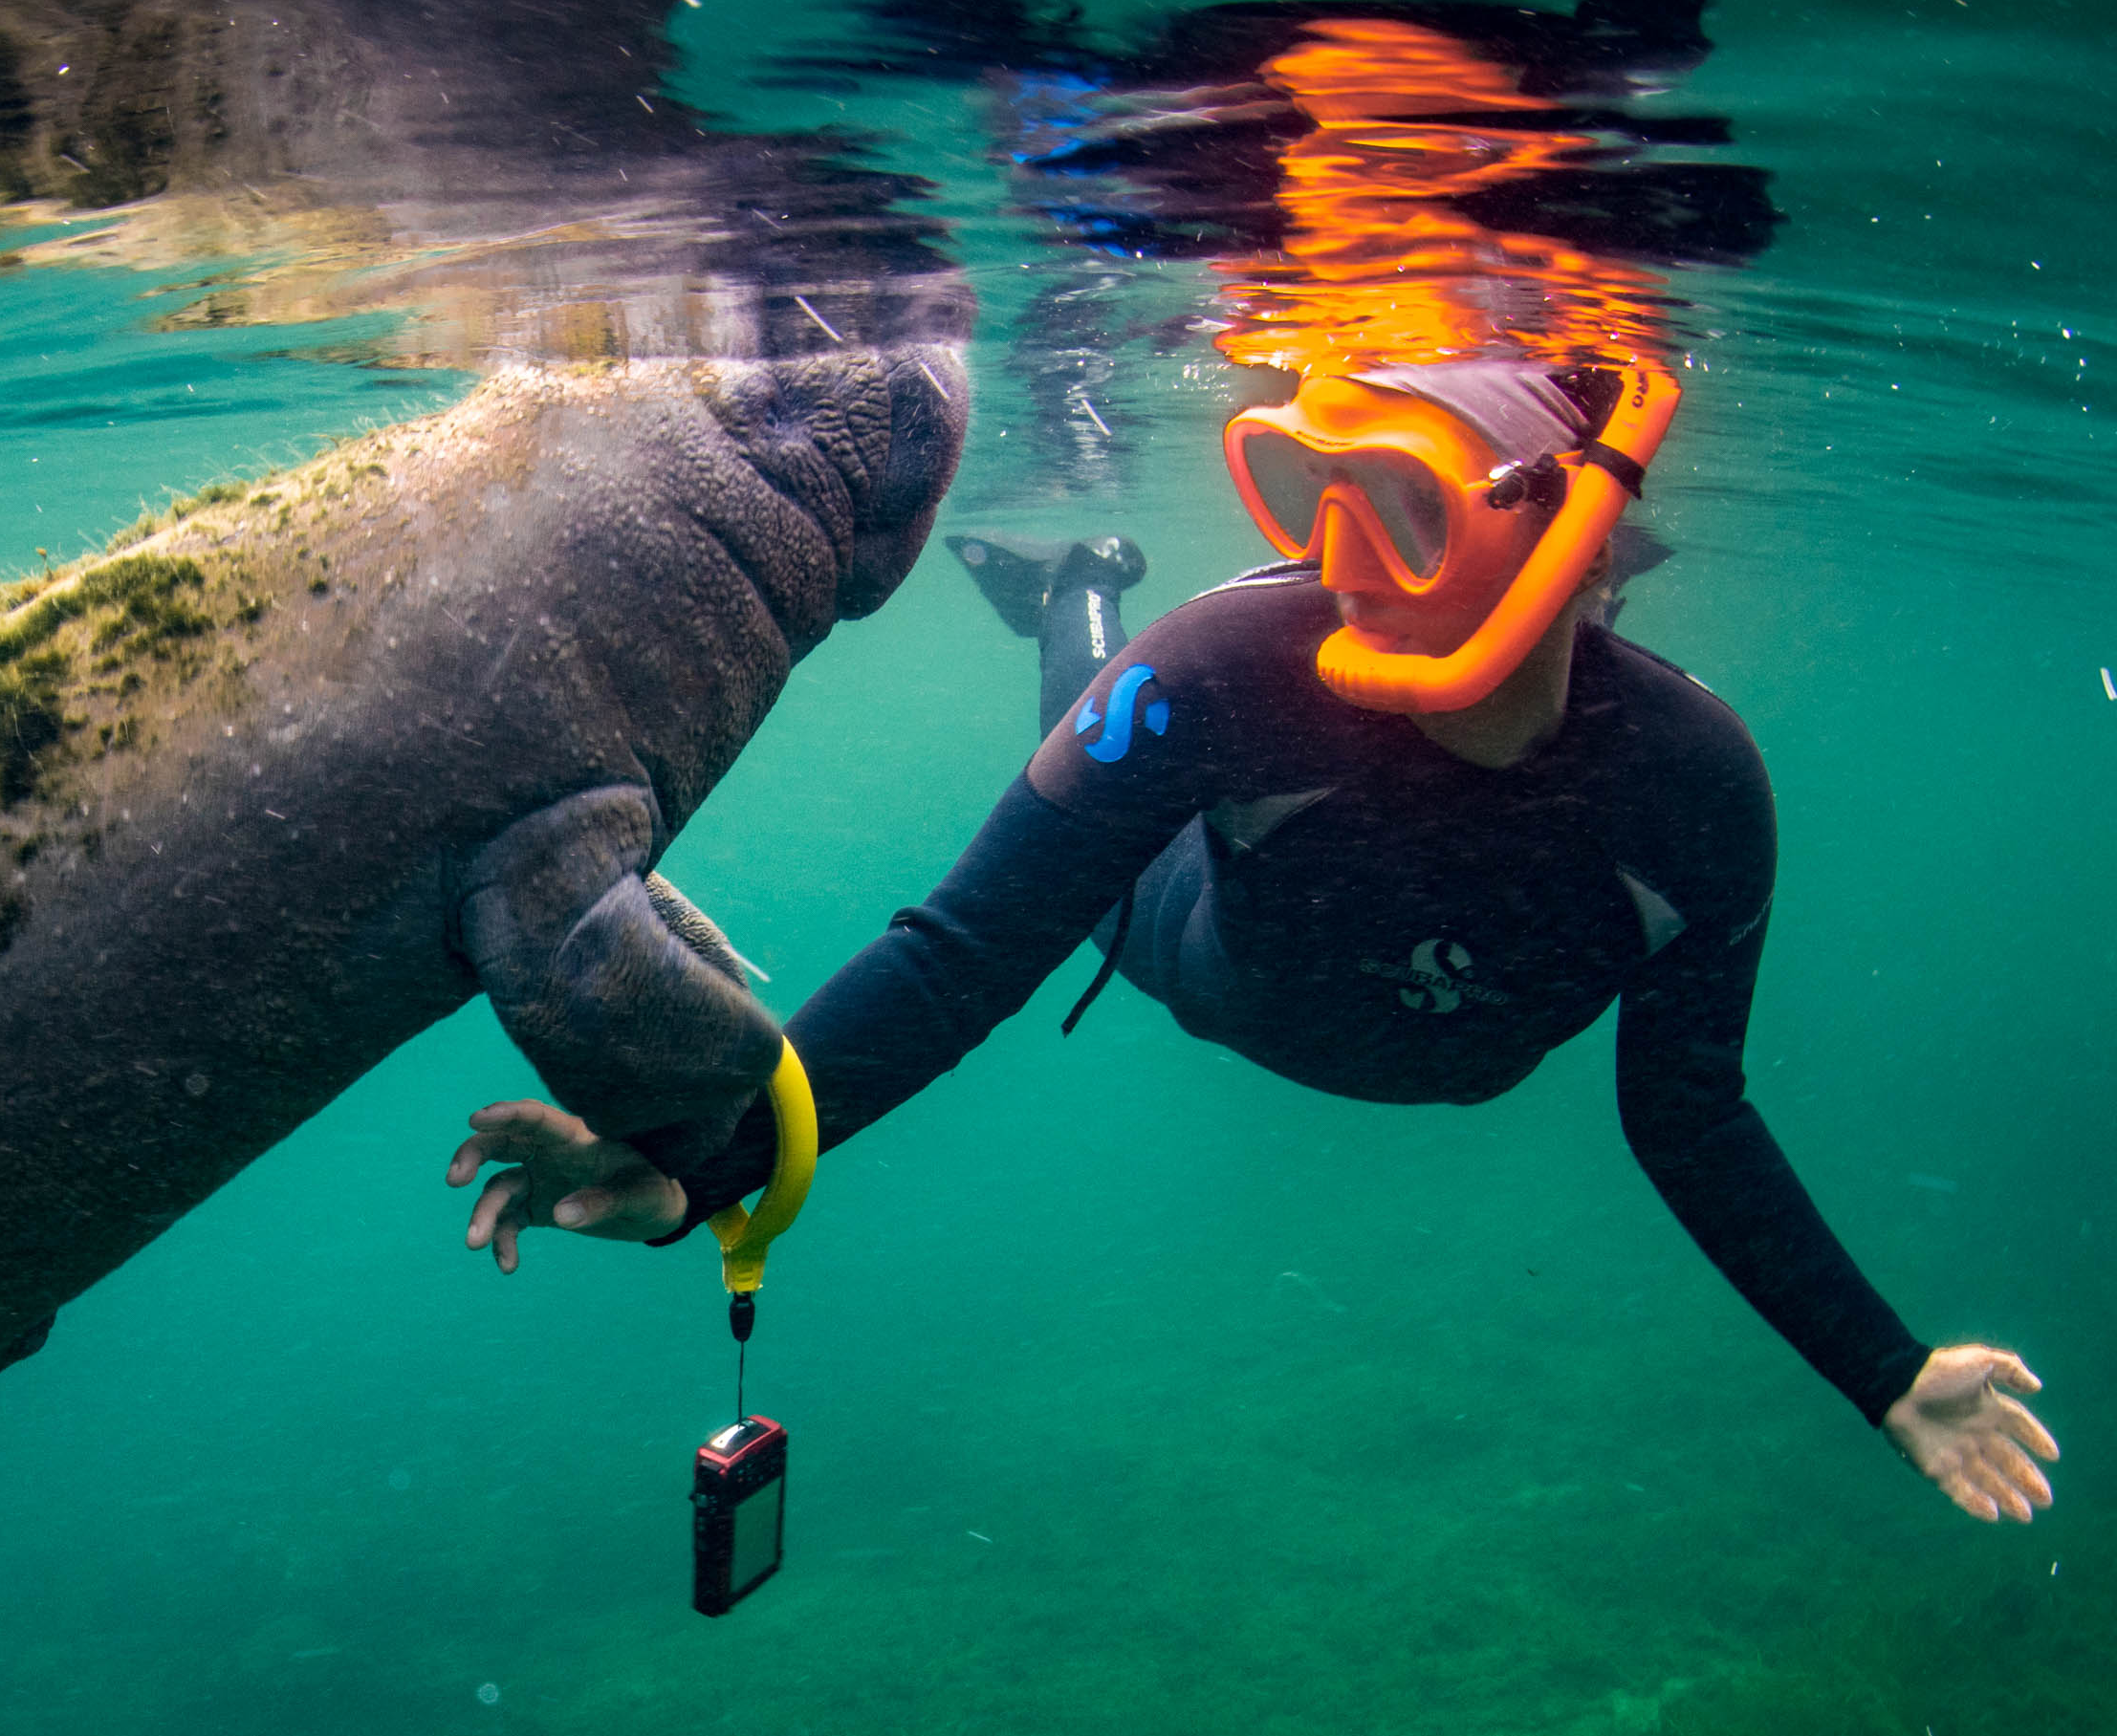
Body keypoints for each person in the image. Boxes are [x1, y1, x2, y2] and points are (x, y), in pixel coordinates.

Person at [448, 357, 2058, 1525]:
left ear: (1566, 542)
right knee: (1091, 790)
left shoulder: (1698, 793)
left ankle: (1082, 597)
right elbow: (965, 955)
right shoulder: (1224, 666)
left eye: (1407, 509)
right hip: (1200, 955)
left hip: (1429, 1042)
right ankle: (1073, 598)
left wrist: (1885, 1369)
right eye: (1308, 495)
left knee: (1122, 746)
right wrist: (705, 1166)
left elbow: (1688, 1106)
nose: (1345, 562)